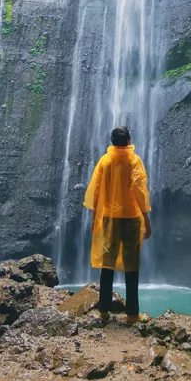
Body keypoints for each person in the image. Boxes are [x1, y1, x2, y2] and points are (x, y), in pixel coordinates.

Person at [83, 125, 152, 325]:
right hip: (131, 219)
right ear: (129, 141)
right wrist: (147, 219)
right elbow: (140, 191)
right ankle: (132, 314)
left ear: (112, 142)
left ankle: (103, 311)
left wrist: (95, 218)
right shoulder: (134, 161)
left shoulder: (105, 161)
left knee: (107, 265)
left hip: (109, 219)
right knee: (132, 267)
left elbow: (95, 192)